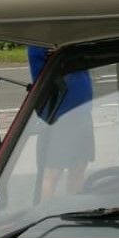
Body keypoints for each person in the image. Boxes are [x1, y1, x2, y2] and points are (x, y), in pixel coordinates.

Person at [28, 45, 95, 199]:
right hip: (63, 115)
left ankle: (74, 206)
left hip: (81, 112)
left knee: (79, 167)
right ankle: (44, 211)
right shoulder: (46, 39)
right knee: (53, 171)